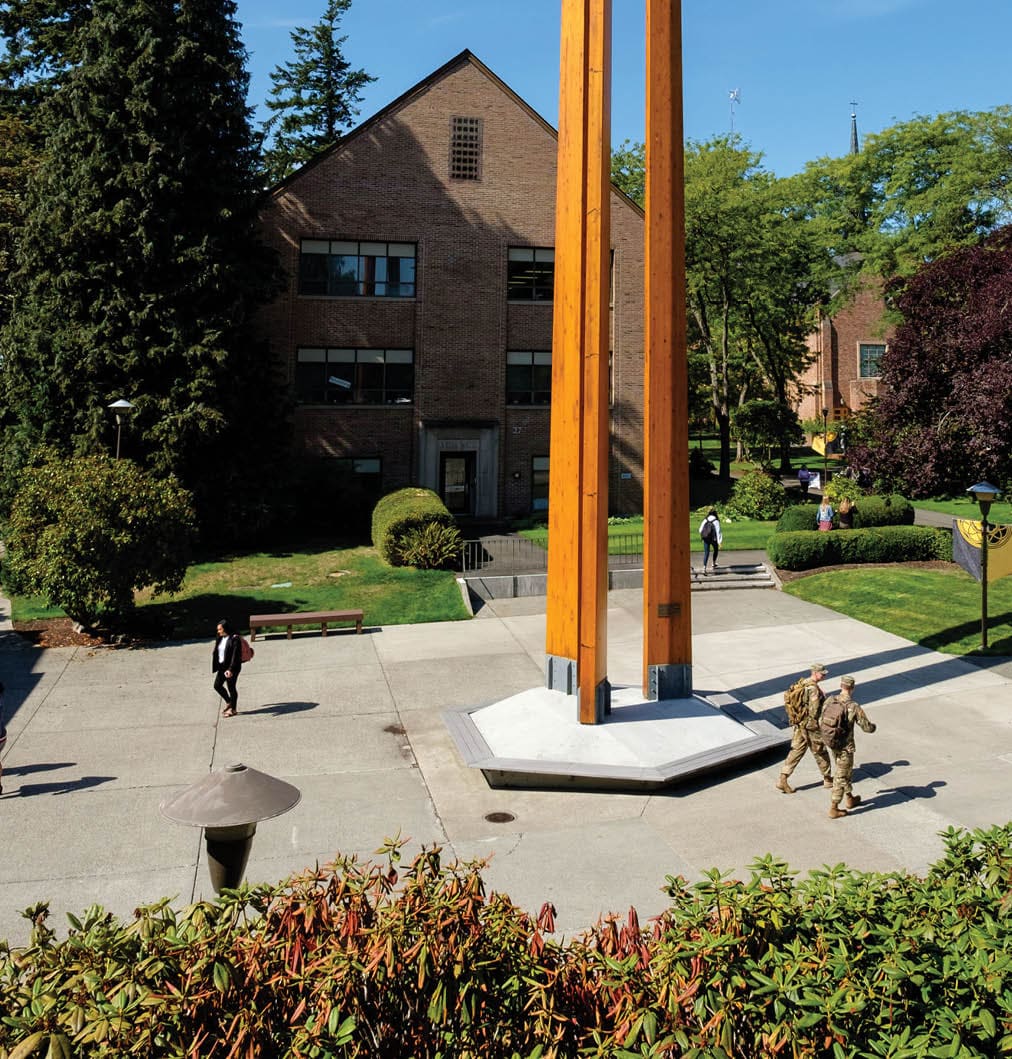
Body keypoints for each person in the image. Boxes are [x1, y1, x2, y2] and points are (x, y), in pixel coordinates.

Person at [823, 675, 877, 819]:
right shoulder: (853, 706)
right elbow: (867, 728)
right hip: (846, 747)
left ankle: (850, 798)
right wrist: (873, 727)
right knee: (841, 776)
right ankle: (834, 808)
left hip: (832, 742)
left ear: (841, 686)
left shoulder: (830, 700)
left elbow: (821, 718)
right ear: (852, 688)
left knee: (844, 771)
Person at [776, 663, 833, 794]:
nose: (824, 676)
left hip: (799, 724)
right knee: (820, 751)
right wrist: (817, 725)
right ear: (815, 673)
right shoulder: (813, 689)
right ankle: (827, 779)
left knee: (796, 750)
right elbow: (814, 710)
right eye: (822, 674)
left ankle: (783, 778)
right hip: (810, 726)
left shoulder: (803, 683)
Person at [212, 619, 243, 718]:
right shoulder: (220, 638)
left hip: (232, 667)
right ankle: (229, 702)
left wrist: (230, 669)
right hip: (222, 666)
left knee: (231, 687)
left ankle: (233, 709)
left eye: (220, 629)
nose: (218, 631)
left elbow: (235, 656)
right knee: (217, 685)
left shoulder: (235, 638)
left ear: (225, 629)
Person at [698, 508, 722, 574]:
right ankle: (713, 563)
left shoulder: (705, 519)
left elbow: (700, 530)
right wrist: (719, 542)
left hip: (706, 539)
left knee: (706, 553)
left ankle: (704, 568)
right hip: (713, 539)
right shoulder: (716, 521)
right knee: (716, 550)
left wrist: (703, 536)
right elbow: (718, 532)